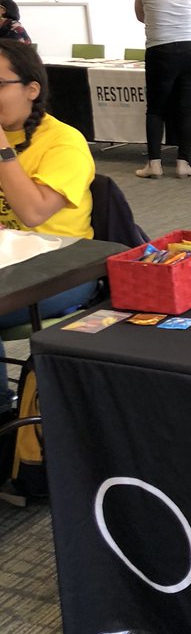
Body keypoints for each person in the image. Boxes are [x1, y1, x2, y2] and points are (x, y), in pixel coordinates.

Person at [0, 39, 96, 412]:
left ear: (31, 89)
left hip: (62, 267)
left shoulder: (63, 143)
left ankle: (5, 420)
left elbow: (33, 214)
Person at [133, 0, 191, 179]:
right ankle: (184, 163)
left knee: (155, 109)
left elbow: (140, 15)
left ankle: (154, 164)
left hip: (161, 48)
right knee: (186, 108)